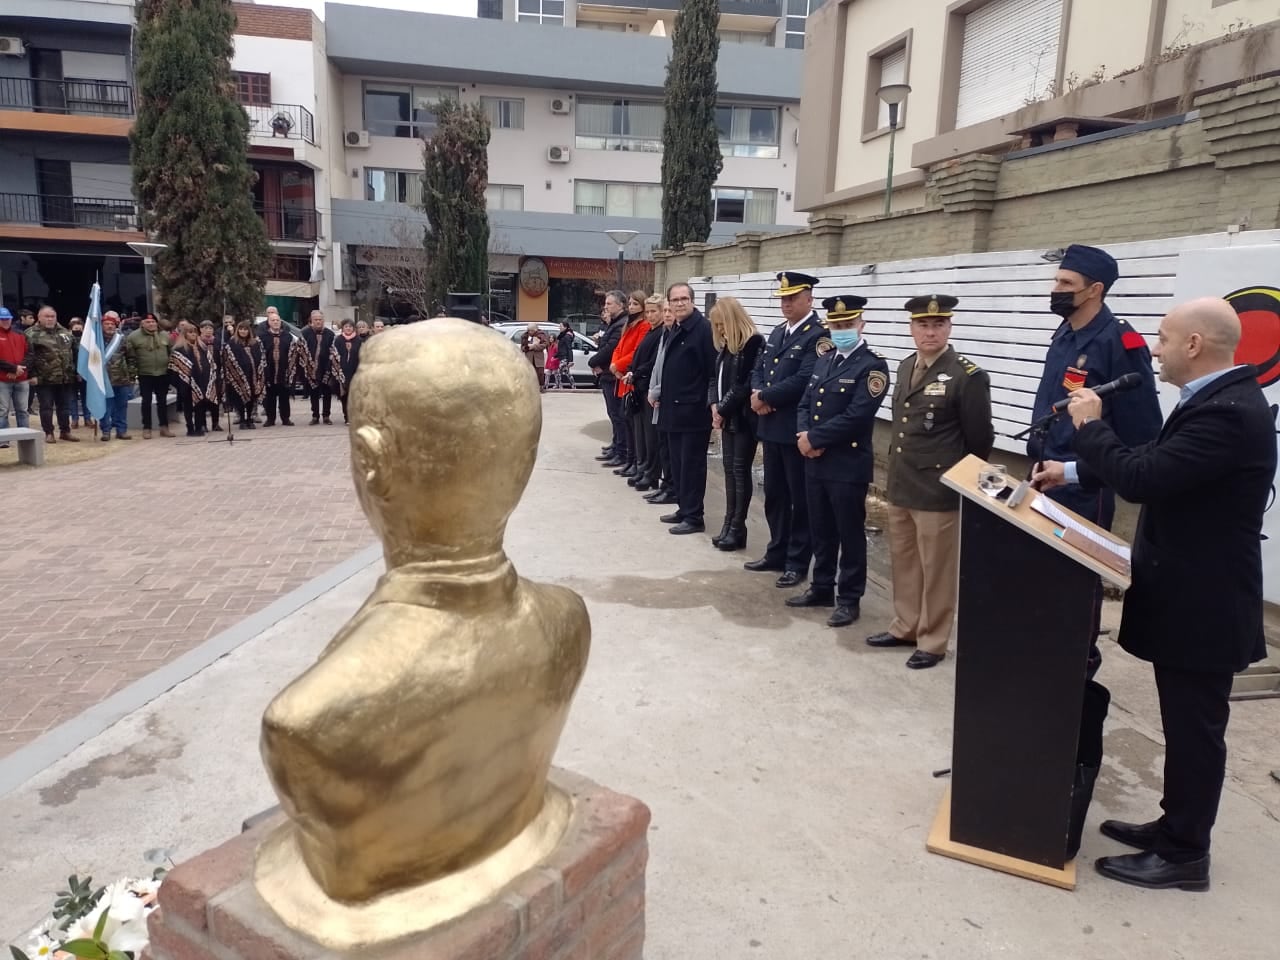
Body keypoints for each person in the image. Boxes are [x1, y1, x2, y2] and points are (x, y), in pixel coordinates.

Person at [1032, 297, 1275, 891]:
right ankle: (1173, 826)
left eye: (1165, 338)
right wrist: (1069, 472)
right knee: (1185, 724)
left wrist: (1089, 424)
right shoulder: (1214, 401)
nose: (1156, 348)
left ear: (1194, 345)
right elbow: (1158, 463)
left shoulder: (1227, 412)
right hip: (1192, 593)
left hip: (1205, 602)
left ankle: (1186, 854)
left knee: (1195, 730)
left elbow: (1143, 478)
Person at [1029, 244, 1162, 676]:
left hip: (1086, 483)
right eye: (1056, 281)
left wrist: (1086, 468)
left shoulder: (1120, 342)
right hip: (1045, 471)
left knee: (1077, 576)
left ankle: (1077, 660)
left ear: (1095, 290)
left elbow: (1142, 431)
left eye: (1066, 284)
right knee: (1044, 573)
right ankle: (1045, 648)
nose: (1056, 290)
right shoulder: (1065, 332)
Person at [865, 295, 994, 667]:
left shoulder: (966, 376)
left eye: (938, 324)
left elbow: (980, 439)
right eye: (923, 325)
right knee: (905, 561)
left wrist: (957, 480)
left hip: (939, 490)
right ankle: (905, 625)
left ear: (949, 327)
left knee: (937, 569)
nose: (930, 332)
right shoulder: (906, 366)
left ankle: (933, 640)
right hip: (903, 484)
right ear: (912, 329)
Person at [788, 295, 888, 627]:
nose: (841, 330)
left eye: (848, 324)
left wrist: (815, 440)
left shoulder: (872, 366)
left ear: (861, 324)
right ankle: (821, 586)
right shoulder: (824, 359)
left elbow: (857, 416)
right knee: (821, 529)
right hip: (815, 462)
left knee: (849, 533)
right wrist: (804, 436)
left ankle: (849, 598)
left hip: (846, 464)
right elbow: (805, 403)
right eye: (836, 325)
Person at [746, 272, 826, 589]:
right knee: (774, 495)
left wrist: (764, 397)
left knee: (798, 500)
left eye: (793, 297)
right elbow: (759, 369)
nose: (787, 303)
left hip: (794, 430)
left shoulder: (817, 336)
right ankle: (776, 551)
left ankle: (796, 561)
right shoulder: (779, 332)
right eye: (783, 298)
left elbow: (804, 379)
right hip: (770, 427)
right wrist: (756, 394)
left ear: (809, 299)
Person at [655, 282, 716, 534]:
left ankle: (694, 516)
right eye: (675, 299)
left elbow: (711, 372)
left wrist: (709, 405)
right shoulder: (675, 328)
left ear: (692, 301)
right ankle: (683, 507)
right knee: (678, 465)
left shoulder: (702, 330)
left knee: (691, 466)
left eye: (684, 299)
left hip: (692, 414)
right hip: (672, 410)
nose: (679, 303)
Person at [709, 297, 765, 552]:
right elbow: (715, 379)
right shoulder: (726, 348)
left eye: (722, 324)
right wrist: (714, 405)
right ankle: (728, 524)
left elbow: (743, 384)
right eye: (716, 326)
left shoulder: (752, 343)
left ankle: (737, 527)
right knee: (729, 470)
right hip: (727, 415)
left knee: (740, 471)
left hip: (742, 419)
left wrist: (722, 409)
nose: (719, 330)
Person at [610, 291, 652, 478]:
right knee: (625, 420)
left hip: (629, 378)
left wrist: (618, 366)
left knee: (633, 425)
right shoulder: (629, 324)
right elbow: (619, 348)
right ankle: (630, 460)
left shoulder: (643, 326)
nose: (631, 307)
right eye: (630, 304)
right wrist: (614, 365)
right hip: (621, 377)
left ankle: (636, 462)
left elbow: (636, 352)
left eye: (636, 304)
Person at [25, 305, 80, 443]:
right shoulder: (30, 334)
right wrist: (31, 375)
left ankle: (65, 431)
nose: (50, 319)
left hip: (64, 377)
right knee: (46, 407)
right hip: (43, 379)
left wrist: (77, 371)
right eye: (47, 316)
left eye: (52, 316)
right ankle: (49, 432)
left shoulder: (66, 333)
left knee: (64, 406)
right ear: (39, 317)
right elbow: (27, 356)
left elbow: (76, 352)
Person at [644, 299, 679, 505]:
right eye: (665, 310)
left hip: (666, 398)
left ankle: (671, 488)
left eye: (669, 310)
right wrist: (652, 390)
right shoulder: (665, 334)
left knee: (668, 449)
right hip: (658, 396)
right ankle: (666, 486)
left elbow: (670, 372)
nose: (667, 314)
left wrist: (656, 391)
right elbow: (657, 367)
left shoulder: (674, 334)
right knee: (663, 446)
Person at [628, 297, 664, 491]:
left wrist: (637, 372)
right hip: (640, 387)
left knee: (651, 436)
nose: (650, 315)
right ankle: (643, 468)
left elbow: (652, 363)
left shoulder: (660, 333)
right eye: (648, 312)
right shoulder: (650, 332)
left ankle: (651, 473)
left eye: (654, 311)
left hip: (649, 387)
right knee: (641, 433)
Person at [589, 293, 628, 466]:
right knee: (613, 414)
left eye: (609, 303)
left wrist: (594, 361)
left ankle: (621, 450)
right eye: (606, 303)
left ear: (620, 305)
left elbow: (610, 348)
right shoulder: (614, 323)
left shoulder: (620, 325)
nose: (606, 307)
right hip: (607, 373)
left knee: (617, 415)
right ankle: (616, 445)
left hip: (612, 376)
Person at [125, 310, 174, 438]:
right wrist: (133, 373)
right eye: (148, 322)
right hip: (145, 373)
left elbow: (171, 353)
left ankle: (164, 427)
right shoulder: (134, 337)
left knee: (162, 401)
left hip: (163, 373)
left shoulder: (164, 336)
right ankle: (146, 428)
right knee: (146, 401)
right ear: (142, 323)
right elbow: (130, 356)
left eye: (153, 321)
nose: (151, 324)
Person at [169, 324, 216, 436]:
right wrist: (181, 383)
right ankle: (190, 428)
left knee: (200, 405)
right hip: (186, 383)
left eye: (194, 332)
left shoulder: (202, 348)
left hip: (201, 382)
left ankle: (199, 427)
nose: (193, 334)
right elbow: (173, 369)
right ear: (184, 334)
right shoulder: (179, 350)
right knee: (188, 406)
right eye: (190, 332)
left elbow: (209, 364)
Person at [260, 311, 305, 427]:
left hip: (284, 371)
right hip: (269, 371)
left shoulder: (287, 336)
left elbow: (294, 352)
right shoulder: (263, 336)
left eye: (277, 320)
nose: (275, 322)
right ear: (268, 322)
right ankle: (270, 419)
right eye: (273, 320)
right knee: (270, 397)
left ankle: (285, 418)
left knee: (284, 396)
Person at [301, 310, 344, 425]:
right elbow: (302, 350)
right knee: (314, 393)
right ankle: (315, 416)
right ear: (312, 320)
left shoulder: (330, 334)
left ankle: (326, 416)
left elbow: (334, 352)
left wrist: (330, 368)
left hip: (326, 369)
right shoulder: (305, 333)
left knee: (327, 393)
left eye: (320, 320)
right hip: (311, 369)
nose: (318, 322)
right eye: (316, 320)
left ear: (323, 321)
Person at [97, 311, 134, 441]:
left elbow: (131, 358)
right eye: (106, 324)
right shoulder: (96, 340)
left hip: (122, 379)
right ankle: (106, 431)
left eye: (112, 324)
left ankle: (121, 431)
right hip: (104, 380)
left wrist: (131, 376)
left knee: (121, 406)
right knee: (105, 407)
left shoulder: (122, 339)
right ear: (101, 326)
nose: (109, 326)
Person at [222, 318, 264, 429]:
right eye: (241, 329)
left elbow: (260, 357)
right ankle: (242, 419)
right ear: (237, 330)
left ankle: (250, 418)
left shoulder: (254, 342)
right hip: (238, 376)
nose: (243, 331)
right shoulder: (232, 342)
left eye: (245, 329)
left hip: (252, 375)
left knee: (251, 398)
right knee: (240, 398)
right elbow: (228, 359)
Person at [0, 307, 32, 444]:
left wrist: (20, 369)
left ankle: (25, 440)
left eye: (7, 319)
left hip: (21, 379)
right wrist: (14, 369)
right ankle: (3, 440)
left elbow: (30, 354)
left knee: (23, 411)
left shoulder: (20, 333)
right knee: (2, 411)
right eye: (2, 319)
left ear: (12, 319)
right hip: (2, 379)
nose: (5, 321)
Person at [335, 318, 362, 423]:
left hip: (355, 371)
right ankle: (347, 416)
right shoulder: (338, 340)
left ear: (353, 328)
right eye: (346, 326)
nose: (348, 328)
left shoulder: (358, 340)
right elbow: (334, 355)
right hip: (342, 371)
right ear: (343, 328)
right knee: (344, 395)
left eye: (350, 326)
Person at [520, 322, 550, 391]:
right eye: (529, 330)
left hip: (538, 358)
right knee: (529, 373)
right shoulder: (524, 336)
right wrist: (527, 348)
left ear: (536, 330)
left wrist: (534, 346)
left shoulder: (541, 335)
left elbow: (545, 345)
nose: (530, 332)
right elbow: (522, 348)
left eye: (532, 330)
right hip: (529, 358)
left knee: (540, 373)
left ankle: (541, 387)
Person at [553, 321, 576, 391]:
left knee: (558, 372)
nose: (559, 328)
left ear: (565, 327)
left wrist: (571, 360)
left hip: (564, 358)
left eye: (561, 326)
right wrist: (555, 356)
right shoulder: (563, 335)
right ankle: (573, 385)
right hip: (562, 356)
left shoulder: (567, 336)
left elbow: (569, 348)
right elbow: (561, 348)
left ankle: (559, 386)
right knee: (566, 373)